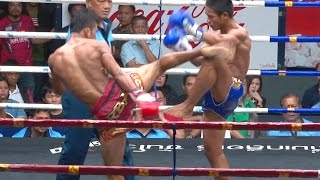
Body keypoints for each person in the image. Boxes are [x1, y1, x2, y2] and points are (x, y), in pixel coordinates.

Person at [49, 8, 208, 180]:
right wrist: (139, 94)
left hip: (106, 112)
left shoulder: (55, 59)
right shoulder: (97, 45)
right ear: (88, 30)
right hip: (120, 93)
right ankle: (198, 52)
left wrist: (63, 77)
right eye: (95, 31)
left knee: (114, 171)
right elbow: (117, 74)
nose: (95, 35)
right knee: (159, 65)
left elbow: (59, 91)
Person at [163, 1, 251, 179]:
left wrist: (193, 29)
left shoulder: (239, 33)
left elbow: (221, 48)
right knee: (212, 151)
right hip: (215, 91)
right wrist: (182, 46)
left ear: (224, 16)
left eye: (211, 16)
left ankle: (188, 105)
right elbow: (199, 61)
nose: (208, 21)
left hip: (230, 88)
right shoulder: (216, 34)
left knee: (214, 55)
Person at [54, 1, 134, 180]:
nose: (106, 6)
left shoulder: (106, 25)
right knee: (75, 150)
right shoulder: (80, 25)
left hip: (104, 93)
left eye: (109, 1)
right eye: (100, 1)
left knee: (120, 149)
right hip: (79, 95)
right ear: (88, 2)